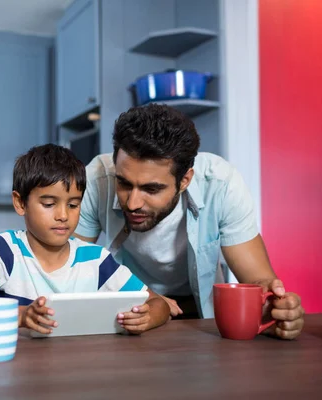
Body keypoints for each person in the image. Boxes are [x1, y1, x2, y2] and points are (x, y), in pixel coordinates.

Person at [74, 104, 304, 339]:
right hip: (132, 308)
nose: (132, 203)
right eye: (123, 183)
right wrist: (148, 297)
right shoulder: (96, 180)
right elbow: (67, 269)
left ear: (185, 180)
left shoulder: (221, 184)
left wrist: (275, 309)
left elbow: (258, 279)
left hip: (199, 310)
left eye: (151, 189)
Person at [0, 144, 170, 335]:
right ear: (20, 203)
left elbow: (158, 304)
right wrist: (22, 315)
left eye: (73, 205)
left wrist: (146, 318)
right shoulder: (5, 250)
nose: (63, 215)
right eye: (49, 204)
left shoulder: (96, 259)